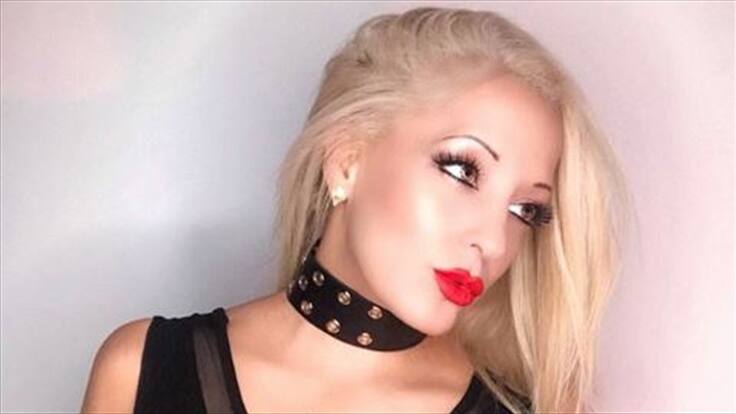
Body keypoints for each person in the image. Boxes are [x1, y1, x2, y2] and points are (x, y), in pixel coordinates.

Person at [80, 6, 631, 414]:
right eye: (463, 171)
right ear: (346, 160)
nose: (494, 240)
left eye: (525, 209)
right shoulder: (144, 369)